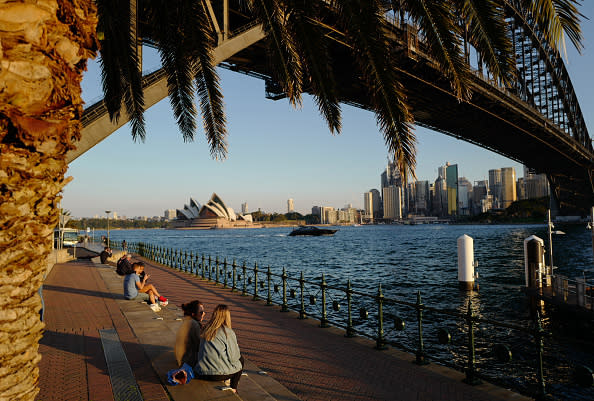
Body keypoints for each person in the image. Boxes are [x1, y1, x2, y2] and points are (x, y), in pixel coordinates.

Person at [194, 304, 243, 393]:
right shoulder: (227, 332)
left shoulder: (206, 329)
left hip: (201, 371)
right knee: (241, 360)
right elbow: (234, 357)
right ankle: (234, 388)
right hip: (217, 374)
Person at [175, 300, 205, 367]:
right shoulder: (194, 325)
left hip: (181, 358)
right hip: (187, 361)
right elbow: (199, 345)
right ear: (193, 314)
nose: (204, 314)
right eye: (201, 312)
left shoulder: (187, 321)